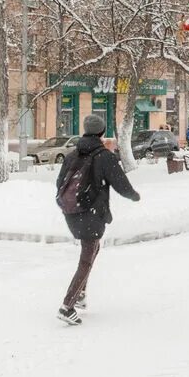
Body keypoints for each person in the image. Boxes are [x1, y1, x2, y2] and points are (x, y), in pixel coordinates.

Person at [56, 114, 140, 326]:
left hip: (71, 211)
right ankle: (67, 306)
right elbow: (121, 184)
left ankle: (81, 294)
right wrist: (134, 195)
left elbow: (59, 183)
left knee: (93, 249)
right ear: (101, 132)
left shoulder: (72, 155)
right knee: (87, 257)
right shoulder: (104, 157)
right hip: (91, 212)